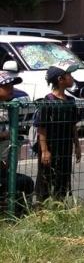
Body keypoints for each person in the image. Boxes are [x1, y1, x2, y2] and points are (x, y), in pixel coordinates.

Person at [35, 64, 82, 203]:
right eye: (69, 75)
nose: (72, 78)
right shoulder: (48, 102)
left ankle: (59, 205)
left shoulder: (71, 101)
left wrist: (77, 145)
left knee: (63, 177)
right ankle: (42, 207)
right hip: (50, 146)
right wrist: (44, 151)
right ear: (60, 79)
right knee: (46, 177)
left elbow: (73, 125)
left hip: (66, 147)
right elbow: (41, 128)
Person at [0, 70, 34, 216]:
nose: (11, 89)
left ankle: (18, 216)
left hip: (3, 166)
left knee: (25, 182)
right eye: (6, 86)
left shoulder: (6, 107)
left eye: (12, 85)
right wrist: (7, 135)